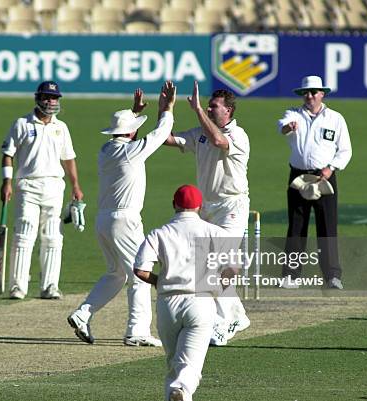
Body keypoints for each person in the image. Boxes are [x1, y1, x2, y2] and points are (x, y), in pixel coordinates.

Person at [67, 81, 176, 346]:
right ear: (130, 133)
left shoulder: (106, 150)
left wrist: (134, 114)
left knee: (116, 274)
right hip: (125, 220)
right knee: (140, 273)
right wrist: (167, 108)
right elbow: (161, 133)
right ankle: (136, 332)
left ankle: (83, 314)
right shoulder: (131, 152)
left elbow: (128, 137)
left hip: (104, 220)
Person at [164, 81, 250, 346]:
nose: (211, 110)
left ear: (229, 111)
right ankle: (235, 317)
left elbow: (217, 139)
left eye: (215, 106)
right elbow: (166, 139)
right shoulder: (199, 132)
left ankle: (224, 323)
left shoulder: (238, 135)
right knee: (205, 266)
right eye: (209, 106)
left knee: (220, 265)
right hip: (206, 208)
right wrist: (165, 109)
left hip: (231, 206)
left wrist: (198, 109)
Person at [134, 184, 230, 401]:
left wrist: (160, 282)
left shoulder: (159, 233)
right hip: (200, 301)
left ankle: (176, 392)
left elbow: (140, 270)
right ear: (200, 206)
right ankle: (180, 389)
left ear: (174, 205)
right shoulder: (214, 232)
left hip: (168, 302)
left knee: (174, 363)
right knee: (190, 364)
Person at [0, 80, 84, 300]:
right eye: (46, 97)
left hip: (54, 186)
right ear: (37, 98)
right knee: (25, 233)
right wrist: (6, 182)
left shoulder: (61, 127)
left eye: (54, 97)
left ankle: (49, 286)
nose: (50, 101)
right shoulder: (21, 124)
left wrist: (76, 185)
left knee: (53, 237)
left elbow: (69, 159)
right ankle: (17, 287)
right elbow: (8, 154)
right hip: (27, 184)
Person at [278, 75, 352, 289]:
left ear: (322, 94)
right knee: (296, 226)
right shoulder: (293, 114)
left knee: (327, 226)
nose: (309, 96)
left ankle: (332, 276)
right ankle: (291, 275)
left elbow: (345, 150)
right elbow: (281, 126)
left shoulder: (335, 118)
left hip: (324, 176)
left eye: (313, 92)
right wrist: (287, 128)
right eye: (305, 93)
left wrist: (331, 168)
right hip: (299, 177)